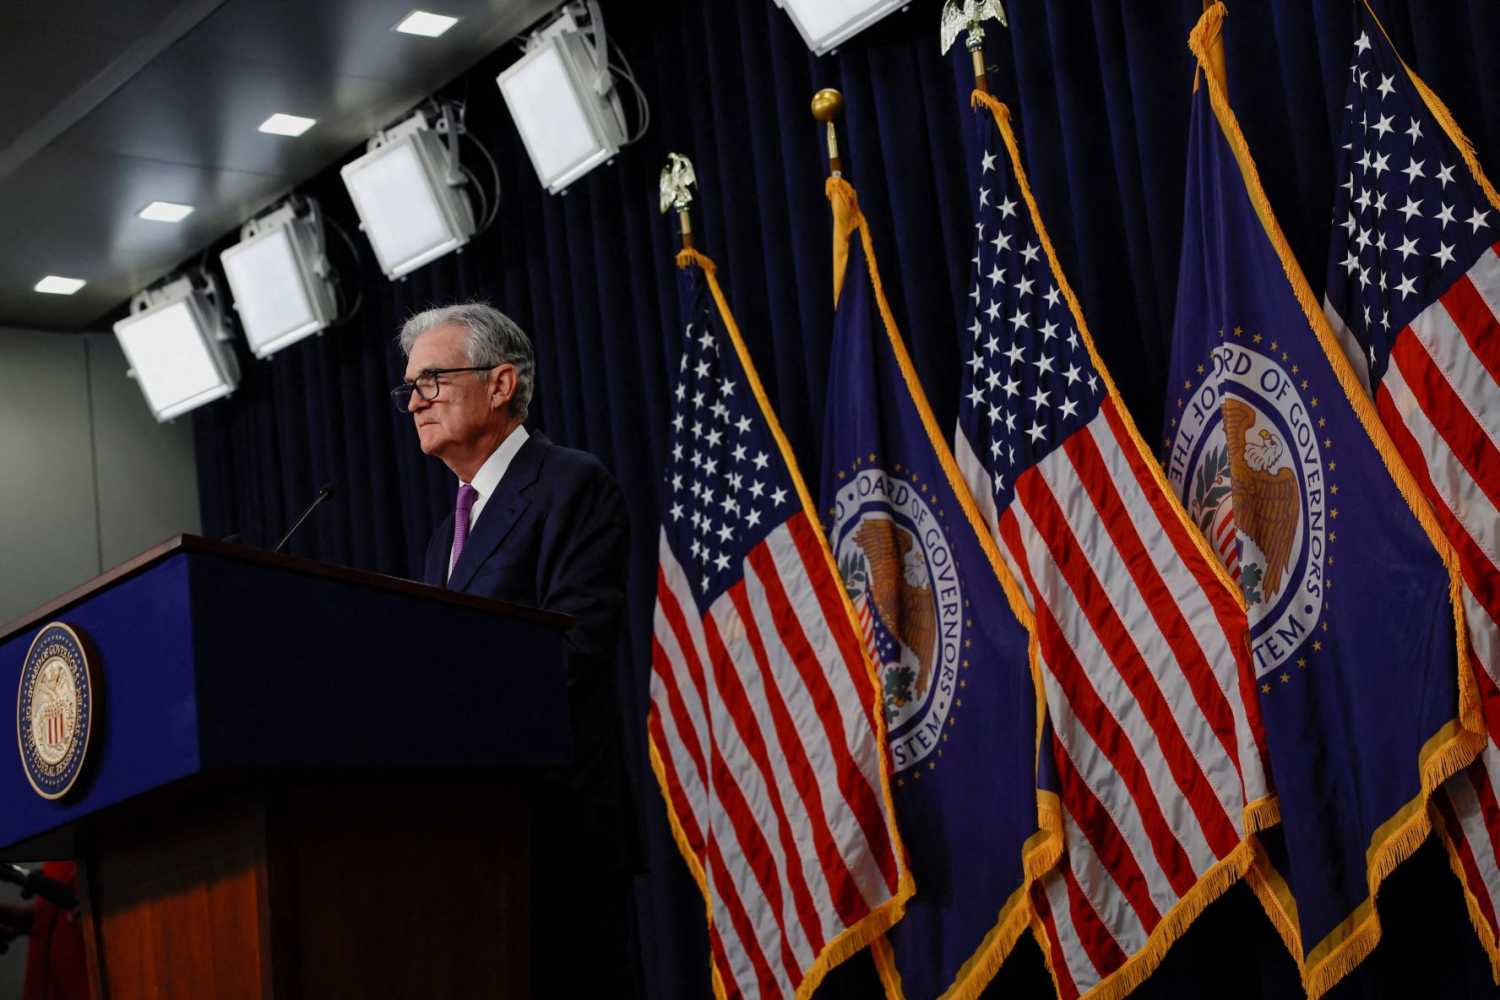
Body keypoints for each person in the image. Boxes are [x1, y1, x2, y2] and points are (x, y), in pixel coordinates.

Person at [394, 303, 639, 998]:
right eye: (410, 386)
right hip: (468, 843)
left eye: (433, 379)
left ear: (502, 384)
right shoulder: (446, 536)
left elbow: (574, 650)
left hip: (557, 838)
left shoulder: (569, 484)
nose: (415, 402)